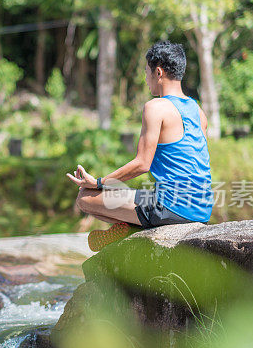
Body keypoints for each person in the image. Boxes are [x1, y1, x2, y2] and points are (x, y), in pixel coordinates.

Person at [66, 41, 214, 251]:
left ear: (159, 72)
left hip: (171, 208)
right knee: (146, 194)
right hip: (203, 209)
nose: (146, 80)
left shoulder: (155, 107)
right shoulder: (198, 112)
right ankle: (132, 225)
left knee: (85, 198)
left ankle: (130, 228)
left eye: (147, 73)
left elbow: (142, 164)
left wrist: (99, 182)